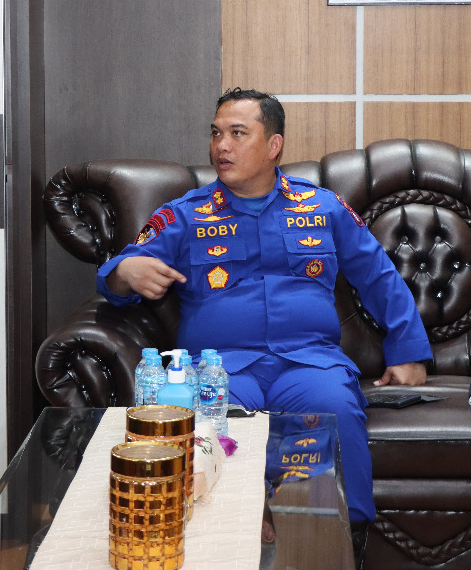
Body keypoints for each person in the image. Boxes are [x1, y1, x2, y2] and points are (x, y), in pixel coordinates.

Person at [99, 87, 432, 528]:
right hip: (222, 370)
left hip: (309, 364)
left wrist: (408, 351)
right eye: (216, 133)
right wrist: (127, 271)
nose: (221, 146)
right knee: (209, 435)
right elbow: (116, 277)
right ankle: (224, 539)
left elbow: (379, 277)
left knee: (334, 410)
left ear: (274, 145)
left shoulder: (322, 207)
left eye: (237, 133)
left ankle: (334, 541)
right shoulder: (184, 215)